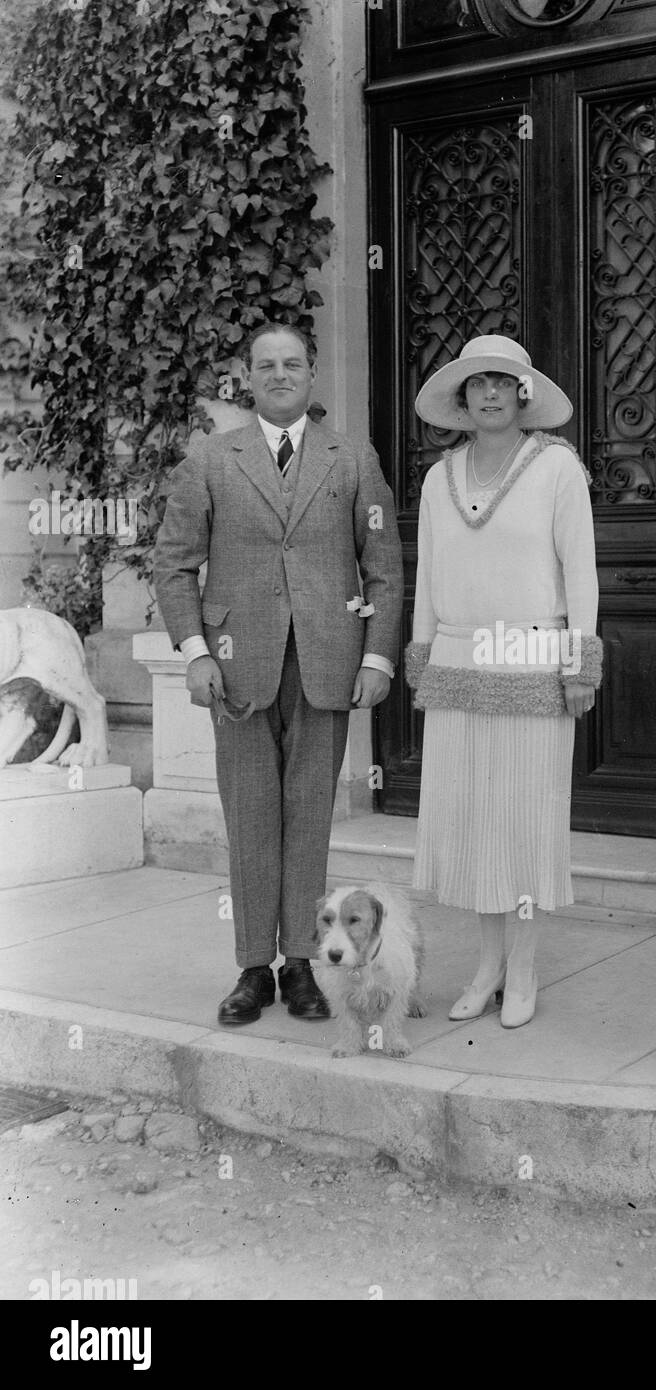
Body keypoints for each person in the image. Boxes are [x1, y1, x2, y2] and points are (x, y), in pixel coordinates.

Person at [154, 323, 403, 1025]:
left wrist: (377, 656)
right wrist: (196, 653)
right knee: (251, 816)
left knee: (309, 818)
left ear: (312, 373)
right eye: (267, 366)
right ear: (248, 377)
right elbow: (172, 564)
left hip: (326, 662)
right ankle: (251, 970)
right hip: (236, 668)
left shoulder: (352, 457)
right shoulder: (210, 458)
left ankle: (300, 962)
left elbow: (383, 566)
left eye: (292, 364)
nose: (281, 375)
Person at [405, 335, 601, 1028]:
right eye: (477, 384)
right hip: (458, 663)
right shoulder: (438, 479)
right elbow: (427, 576)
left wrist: (581, 660)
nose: (489, 394)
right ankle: (486, 965)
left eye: (502, 383)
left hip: (530, 658)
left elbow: (579, 570)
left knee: (523, 824)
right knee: (472, 826)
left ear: (522, 394)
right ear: (461, 399)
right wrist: (421, 655)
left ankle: (522, 967)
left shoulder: (556, 469)